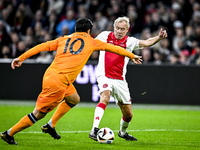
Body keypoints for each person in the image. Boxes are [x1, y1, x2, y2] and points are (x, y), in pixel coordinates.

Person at [1, 18, 142, 145]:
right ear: (88, 31)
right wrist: (132, 55)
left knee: (74, 99)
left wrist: (21, 57)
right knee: (38, 114)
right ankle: (9, 133)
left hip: (51, 75)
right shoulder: (91, 41)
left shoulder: (63, 39)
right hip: (58, 83)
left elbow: (42, 46)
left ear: (75, 29)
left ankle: (51, 125)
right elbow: (115, 49)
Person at [89, 16, 167, 141]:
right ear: (113, 27)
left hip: (120, 80)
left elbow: (146, 42)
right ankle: (94, 129)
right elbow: (90, 44)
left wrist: (158, 38)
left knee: (128, 114)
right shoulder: (104, 36)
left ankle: (123, 132)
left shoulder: (129, 41)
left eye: (122, 29)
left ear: (127, 30)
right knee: (105, 97)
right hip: (104, 75)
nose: (119, 31)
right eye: (117, 28)